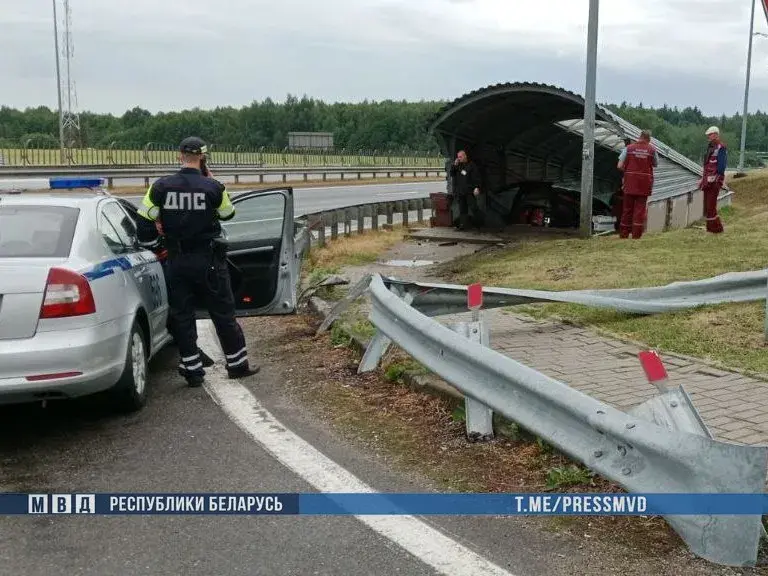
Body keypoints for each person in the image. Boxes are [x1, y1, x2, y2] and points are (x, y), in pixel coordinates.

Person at [137, 136, 258, 387]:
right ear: (203, 157)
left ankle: (192, 370)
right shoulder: (212, 187)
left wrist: (155, 246)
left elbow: (144, 221)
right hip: (209, 260)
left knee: (182, 314)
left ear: (179, 155)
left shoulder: (160, 186)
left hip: (177, 260)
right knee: (222, 312)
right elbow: (228, 213)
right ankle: (237, 365)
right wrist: (212, 181)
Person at [616, 130, 658, 239]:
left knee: (627, 209)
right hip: (644, 184)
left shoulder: (628, 148)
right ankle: (636, 236)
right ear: (649, 139)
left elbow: (619, 165)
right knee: (639, 210)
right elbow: (655, 164)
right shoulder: (652, 150)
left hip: (630, 183)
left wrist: (629, 171)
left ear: (639, 137)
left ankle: (624, 234)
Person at [700, 126, 726, 234]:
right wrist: (703, 179)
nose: (708, 137)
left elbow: (721, 166)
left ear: (715, 134)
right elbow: (707, 165)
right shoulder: (710, 147)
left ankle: (716, 229)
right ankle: (710, 228)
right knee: (707, 206)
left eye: (710, 135)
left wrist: (717, 179)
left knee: (711, 206)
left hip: (714, 181)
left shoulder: (721, 147)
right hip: (707, 179)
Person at [449, 150, 482, 230]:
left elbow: (476, 177)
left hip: (469, 191)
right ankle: (463, 225)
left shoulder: (471, 165)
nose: (459, 158)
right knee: (462, 209)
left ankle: (479, 225)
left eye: (460, 157)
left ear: (465, 156)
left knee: (474, 207)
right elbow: (452, 174)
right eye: (458, 157)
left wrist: (477, 187)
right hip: (460, 191)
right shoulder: (457, 166)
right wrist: (454, 165)